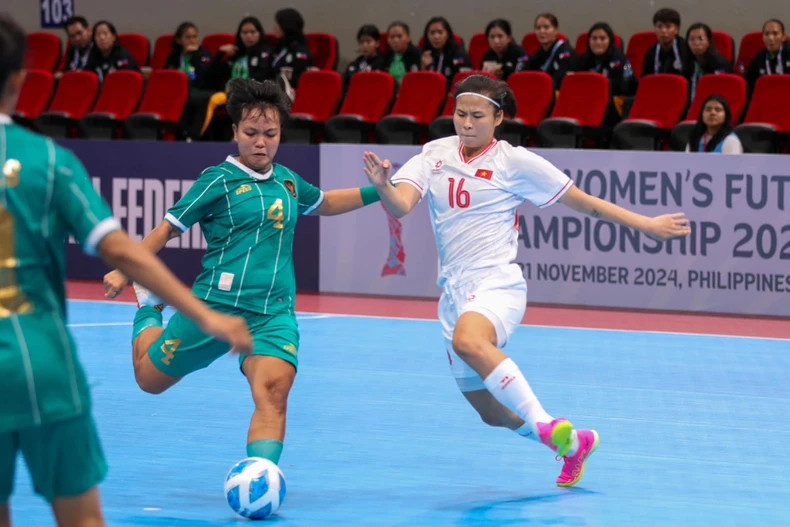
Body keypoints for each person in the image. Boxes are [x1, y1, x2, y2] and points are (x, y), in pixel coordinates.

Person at [362, 74, 691, 487]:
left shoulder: (515, 162)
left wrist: (647, 224)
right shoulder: (434, 154)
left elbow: (585, 204)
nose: (466, 122)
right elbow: (401, 206)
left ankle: (546, 422)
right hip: (453, 291)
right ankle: (572, 445)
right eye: (460, 114)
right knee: (490, 413)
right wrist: (382, 186)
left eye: (477, 115)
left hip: (497, 281)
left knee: (469, 341)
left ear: (498, 118)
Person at [0, 15, 252, 527]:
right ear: (22, 80)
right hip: (39, 364)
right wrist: (207, 316)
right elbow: (122, 251)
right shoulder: (49, 162)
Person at [103, 78, 385, 472]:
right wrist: (123, 268)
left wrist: (379, 190)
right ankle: (150, 306)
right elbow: (167, 227)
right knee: (148, 379)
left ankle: (260, 476)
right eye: (251, 133)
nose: (261, 142)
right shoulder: (216, 180)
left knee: (273, 393)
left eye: (270, 134)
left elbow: (325, 202)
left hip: (272, 314)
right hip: (213, 310)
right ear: (234, 132)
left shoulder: (287, 179)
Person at [202, 16, 273, 141]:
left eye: (252, 32)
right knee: (202, 99)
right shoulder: (235, 55)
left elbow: (263, 77)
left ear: (259, 34)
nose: (248, 36)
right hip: (227, 95)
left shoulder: (266, 53)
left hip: (250, 95)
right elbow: (211, 76)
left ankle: (196, 137)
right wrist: (220, 53)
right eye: (245, 33)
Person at [163, 22, 213, 141]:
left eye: (195, 37)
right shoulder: (174, 56)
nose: (192, 40)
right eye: (188, 37)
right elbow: (167, 76)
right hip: (177, 92)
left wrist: (195, 55)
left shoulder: (204, 54)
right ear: (179, 40)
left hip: (199, 90)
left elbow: (206, 78)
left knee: (191, 99)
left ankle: (190, 136)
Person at [524, 13, 577, 90]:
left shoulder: (566, 52)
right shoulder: (536, 56)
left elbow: (560, 80)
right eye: (538, 28)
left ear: (556, 30)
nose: (542, 31)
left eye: (546, 27)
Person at [420, 16, 472, 87]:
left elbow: (465, 82)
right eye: (432, 33)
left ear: (447, 34)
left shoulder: (459, 55)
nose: (436, 37)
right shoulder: (424, 54)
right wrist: (424, 68)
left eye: (440, 32)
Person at [686, 23, 732, 101]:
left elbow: (723, 89)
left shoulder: (719, 64)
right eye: (692, 39)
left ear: (708, 41)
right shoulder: (687, 61)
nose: (696, 43)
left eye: (701, 39)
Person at [641, 7, 692, 78]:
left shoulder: (686, 49)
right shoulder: (651, 52)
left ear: (676, 29)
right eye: (659, 27)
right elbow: (646, 79)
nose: (663, 31)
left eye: (668, 27)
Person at [271, 8, 312, 90]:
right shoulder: (281, 45)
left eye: (278, 24)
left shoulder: (299, 51)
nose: (275, 28)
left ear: (287, 26)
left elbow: (297, 79)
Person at [745, 18, 790, 92]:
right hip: (769, 97)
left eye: (775, 34)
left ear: (783, 37)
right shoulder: (760, 56)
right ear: (762, 37)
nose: (770, 38)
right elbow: (749, 83)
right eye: (766, 34)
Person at [343, 24, 387, 89]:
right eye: (361, 42)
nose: (364, 45)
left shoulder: (384, 63)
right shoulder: (355, 64)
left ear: (377, 43)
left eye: (368, 41)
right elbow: (344, 85)